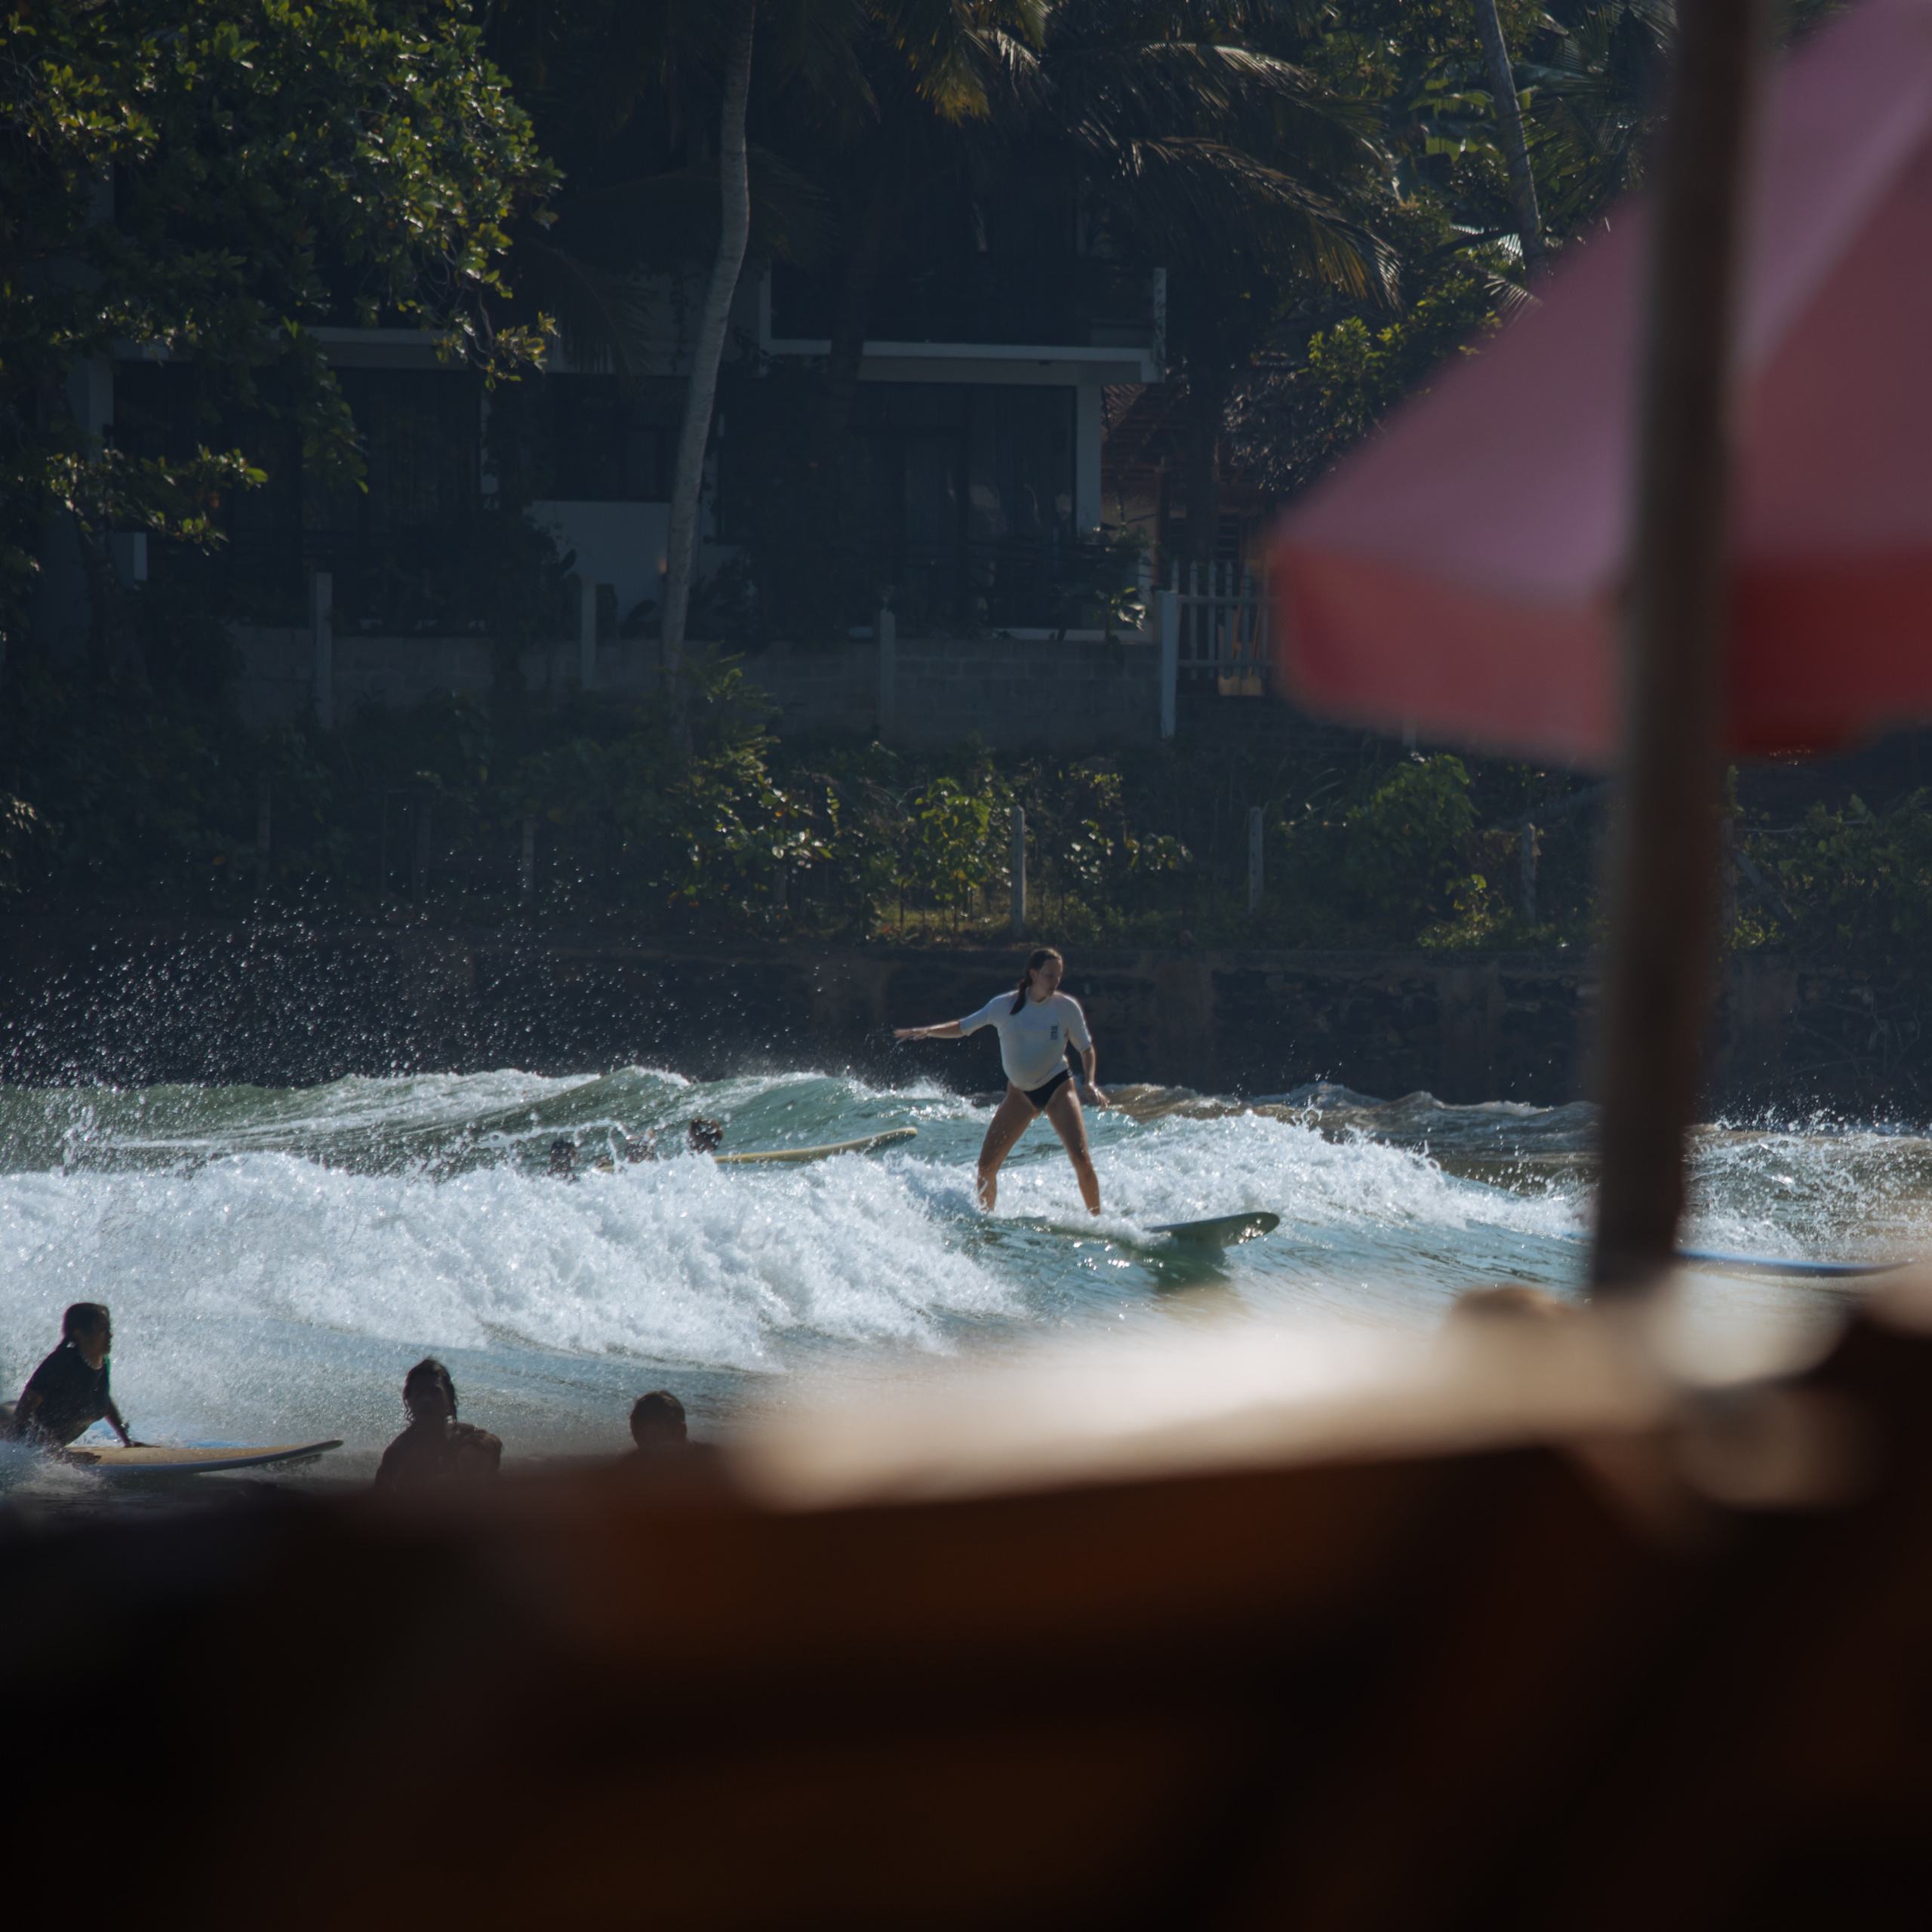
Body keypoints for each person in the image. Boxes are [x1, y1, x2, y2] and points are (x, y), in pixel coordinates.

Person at [895, 946, 1108, 1214]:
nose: (1055, 982)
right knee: (986, 1167)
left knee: (1081, 1159)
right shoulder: (1003, 1006)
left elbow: (1086, 1049)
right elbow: (963, 1027)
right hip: (1020, 1095)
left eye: (1058, 976)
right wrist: (929, 1031)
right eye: (1049, 975)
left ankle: (1098, 1220)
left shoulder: (1066, 1008)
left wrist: (1089, 1082)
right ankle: (987, 1221)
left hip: (1057, 1088)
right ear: (1033, 974)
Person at [5, 1303, 136, 1449]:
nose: (110, 1335)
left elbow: (102, 1398)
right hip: (9, 1432)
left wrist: (127, 1440)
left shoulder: (103, 1364)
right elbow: (23, 1413)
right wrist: (60, 1455)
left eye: (109, 1328)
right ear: (80, 1334)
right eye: (102, 1329)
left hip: (47, 1446)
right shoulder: (60, 1362)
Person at [373, 1357, 502, 1489]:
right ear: (408, 1400)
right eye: (418, 1392)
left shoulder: (470, 1439)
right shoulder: (398, 1454)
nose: (426, 1400)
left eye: (435, 1392)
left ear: (449, 1397)